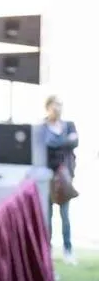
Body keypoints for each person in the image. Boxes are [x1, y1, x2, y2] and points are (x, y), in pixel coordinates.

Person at [43, 95, 78, 264]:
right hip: (47, 176)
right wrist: (64, 141)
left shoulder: (69, 125)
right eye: (54, 105)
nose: (57, 108)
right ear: (48, 107)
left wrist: (55, 142)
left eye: (60, 105)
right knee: (47, 215)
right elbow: (44, 145)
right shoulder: (42, 127)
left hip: (65, 175)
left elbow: (74, 142)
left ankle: (68, 249)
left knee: (65, 214)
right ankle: (47, 250)